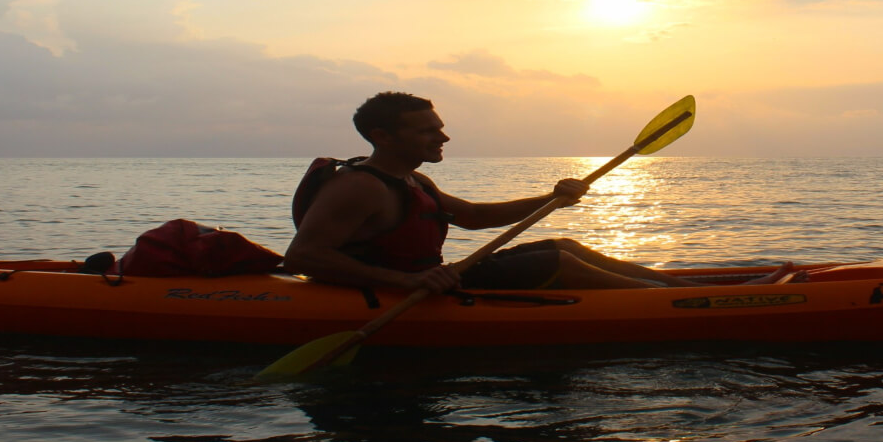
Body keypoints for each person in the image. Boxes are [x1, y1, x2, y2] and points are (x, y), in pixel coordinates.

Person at [284, 91, 801, 292]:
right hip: (402, 291)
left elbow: (473, 218)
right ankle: (699, 301)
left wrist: (552, 197)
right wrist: (400, 284)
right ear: (384, 137)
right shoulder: (357, 187)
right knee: (559, 267)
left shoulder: (412, 179)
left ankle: (696, 289)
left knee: (564, 248)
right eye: (428, 130)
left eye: (439, 127)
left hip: (428, 281)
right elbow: (305, 255)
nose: (442, 136)